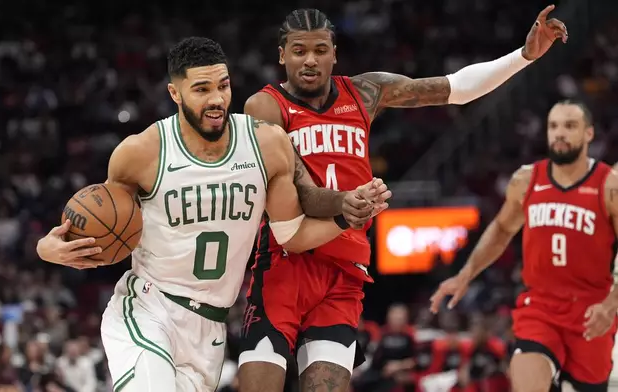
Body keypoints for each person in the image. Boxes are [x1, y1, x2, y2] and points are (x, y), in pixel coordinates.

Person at [238, 6, 568, 391]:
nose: (309, 60)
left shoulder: (364, 91)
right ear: (282, 55)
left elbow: (455, 88)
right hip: (286, 260)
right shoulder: (263, 107)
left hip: (344, 269)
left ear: (334, 52)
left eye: (319, 49)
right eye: (298, 51)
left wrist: (523, 56)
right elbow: (301, 195)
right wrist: (347, 203)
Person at [35, 37, 390, 392]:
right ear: (175, 93)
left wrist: (346, 217)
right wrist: (48, 249)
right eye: (201, 89)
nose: (217, 99)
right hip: (148, 308)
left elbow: (292, 237)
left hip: (210, 329)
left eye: (223, 85)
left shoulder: (266, 145)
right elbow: (100, 222)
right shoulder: (141, 152)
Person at [430, 100, 618, 391]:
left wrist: (610, 305)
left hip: (592, 312)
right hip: (540, 307)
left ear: (589, 134)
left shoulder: (609, 186)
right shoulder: (526, 180)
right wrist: (466, 274)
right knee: (527, 375)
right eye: (553, 126)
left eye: (570, 126)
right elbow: (503, 228)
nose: (559, 133)